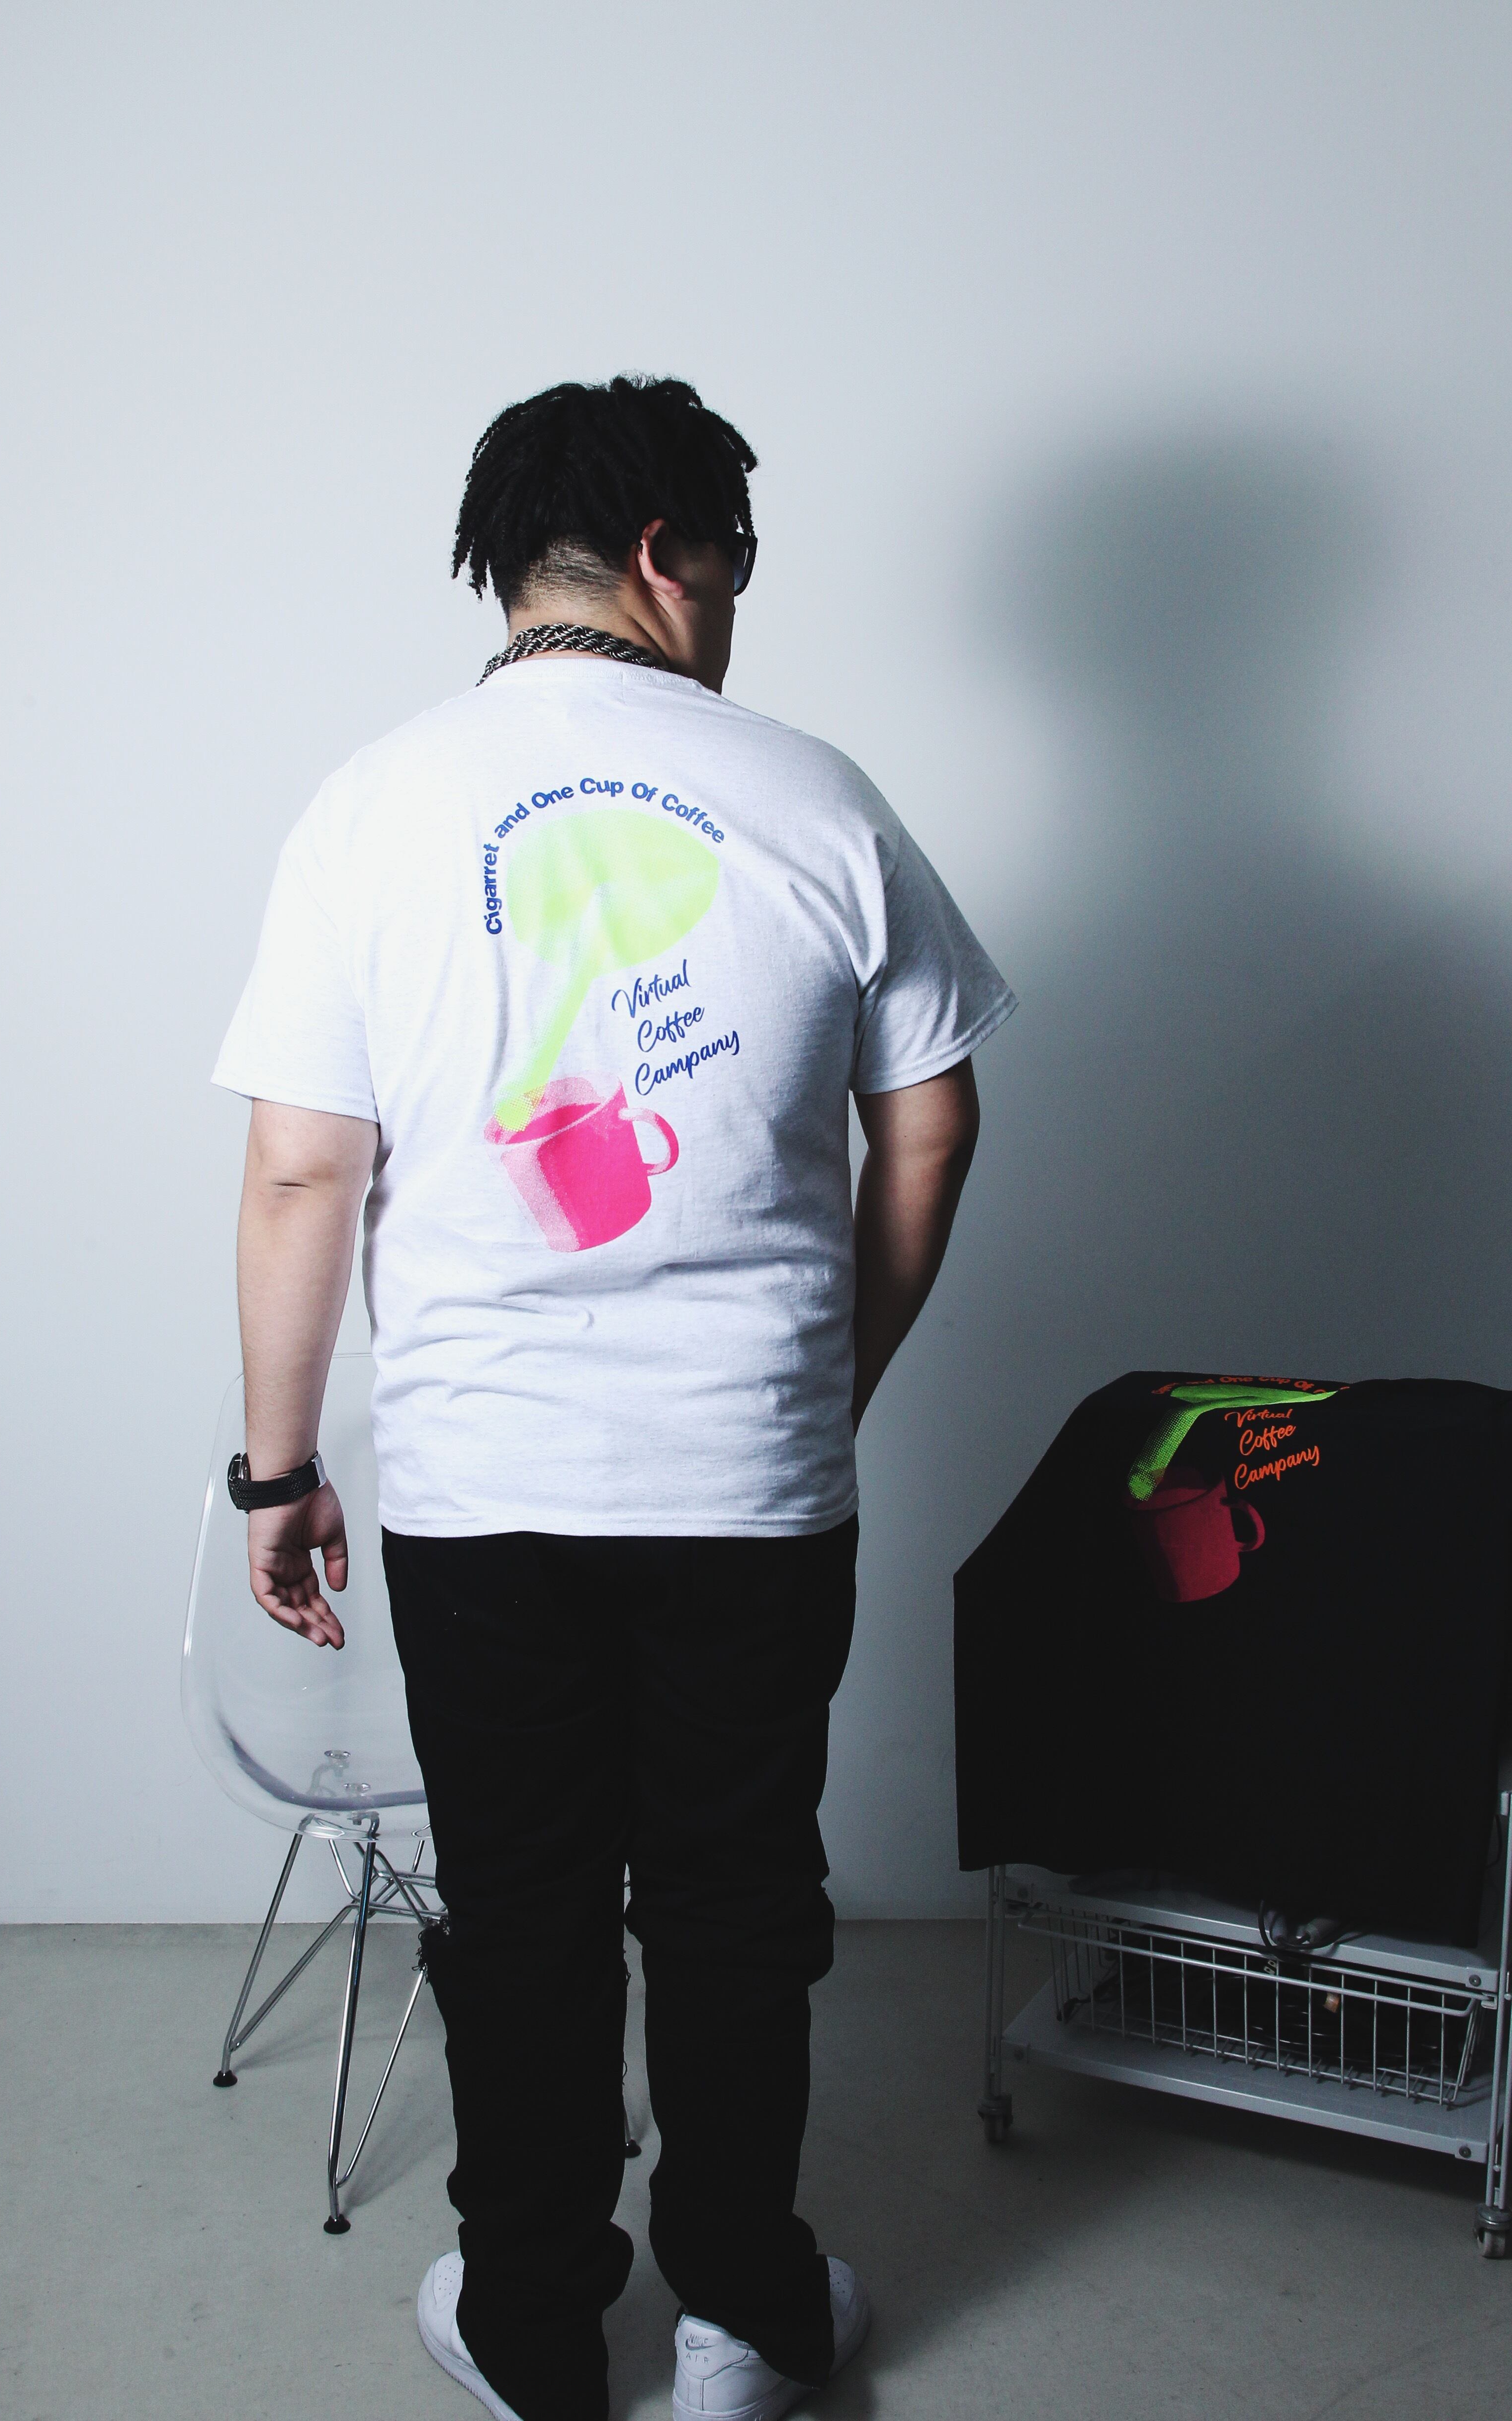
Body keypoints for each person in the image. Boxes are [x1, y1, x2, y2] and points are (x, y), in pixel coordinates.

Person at [213, 374, 1015, 2421]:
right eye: (732, 565)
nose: (734, 609)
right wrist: (828, 1383)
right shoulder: (818, 797)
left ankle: (536, 2327)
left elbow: (304, 1170)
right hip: (752, 1479)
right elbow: (930, 1128)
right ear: (672, 552)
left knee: (524, 1907)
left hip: (483, 1489)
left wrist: (276, 1473)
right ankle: (746, 2317)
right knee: (742, 1899)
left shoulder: (374, 804)